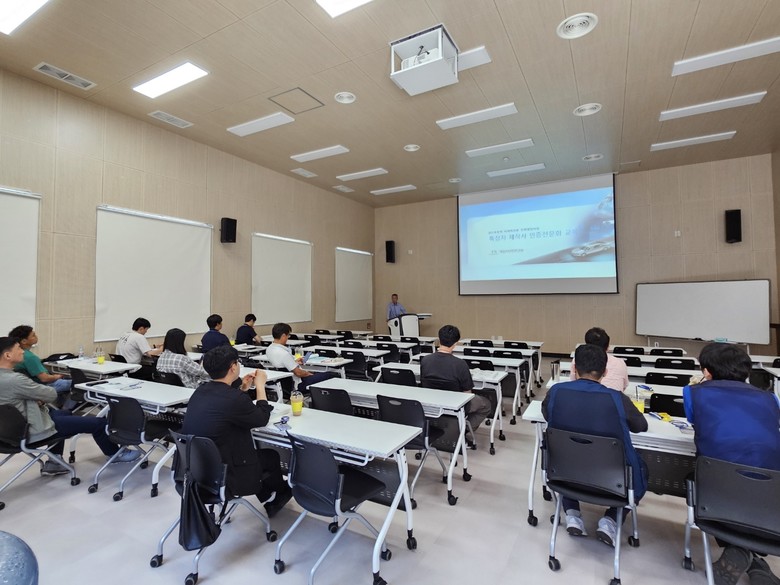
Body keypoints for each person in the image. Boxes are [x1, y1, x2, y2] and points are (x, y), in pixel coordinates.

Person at [683, 343, 780, 585]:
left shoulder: (693, 393)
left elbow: (696, 420)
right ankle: (753, 559)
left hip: (716, 494)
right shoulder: (770, 398)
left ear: (706, 371)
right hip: (771, 498)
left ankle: (740, 552)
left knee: (700, 476)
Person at [542, 343, 648, 546]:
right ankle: (610, 520)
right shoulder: (617, 398)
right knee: (641, 467)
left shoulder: (556, 392)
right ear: (605, 371)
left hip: (564, 475)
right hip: (612, 481)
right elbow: (640, 426)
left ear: (574, 369)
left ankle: (572, 513)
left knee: (567, 453)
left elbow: (548, 415)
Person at [0, 336, 140, 475]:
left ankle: (55, 461)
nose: (23, 351)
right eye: (18, 349)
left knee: (63, 413)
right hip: (30, 430)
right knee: (99, 423)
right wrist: (37, 398)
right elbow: (51, 394)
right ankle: (116, 455)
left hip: (7, 432)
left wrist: (33, 399)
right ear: (7, 355)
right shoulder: (15, 380)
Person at [181, 344, 291, 517]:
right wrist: (260, 386)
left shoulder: (200, 391)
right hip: (225, 475)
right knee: (270, 456)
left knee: (252, 454)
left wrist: (242, 389)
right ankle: (278, 496)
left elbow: (226, 408)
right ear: (233, 367)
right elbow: (262, 418)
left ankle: (267, 495)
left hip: (197, 470)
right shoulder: (234, 398)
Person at [420, 324, 492, 438]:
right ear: (455, 343)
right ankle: (462, 431)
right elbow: (467, 394)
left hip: (432, 402)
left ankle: (453, 428)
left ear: (439, 339)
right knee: (486, 405)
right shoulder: (460, 364)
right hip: (456, 405)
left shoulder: (425, 360)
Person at [264, 323, 337, 393]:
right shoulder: (284, 353)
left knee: (317, 374)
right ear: (283, 336)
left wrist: (294, 362)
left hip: (283, 384)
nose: (288, 338)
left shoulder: (269, 349)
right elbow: (298, 373)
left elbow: (281, 364)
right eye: (288, 335)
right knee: (330, 374)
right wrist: (309, 374)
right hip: (297, 384)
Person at [8, 325, 71, 398]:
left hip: (29, 387)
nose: (36, 336)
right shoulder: (30, 357)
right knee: (76, 384)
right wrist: (57, 376)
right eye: (33, 335)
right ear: (24, 341)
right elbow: (44, 378)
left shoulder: (14, 355)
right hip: (43, 387)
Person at [568, 327, 629, 392]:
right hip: (613, 397)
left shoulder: (578, 359)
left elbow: (574, 382)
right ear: (608, 347)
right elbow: (624, 386)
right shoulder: (620, 363)